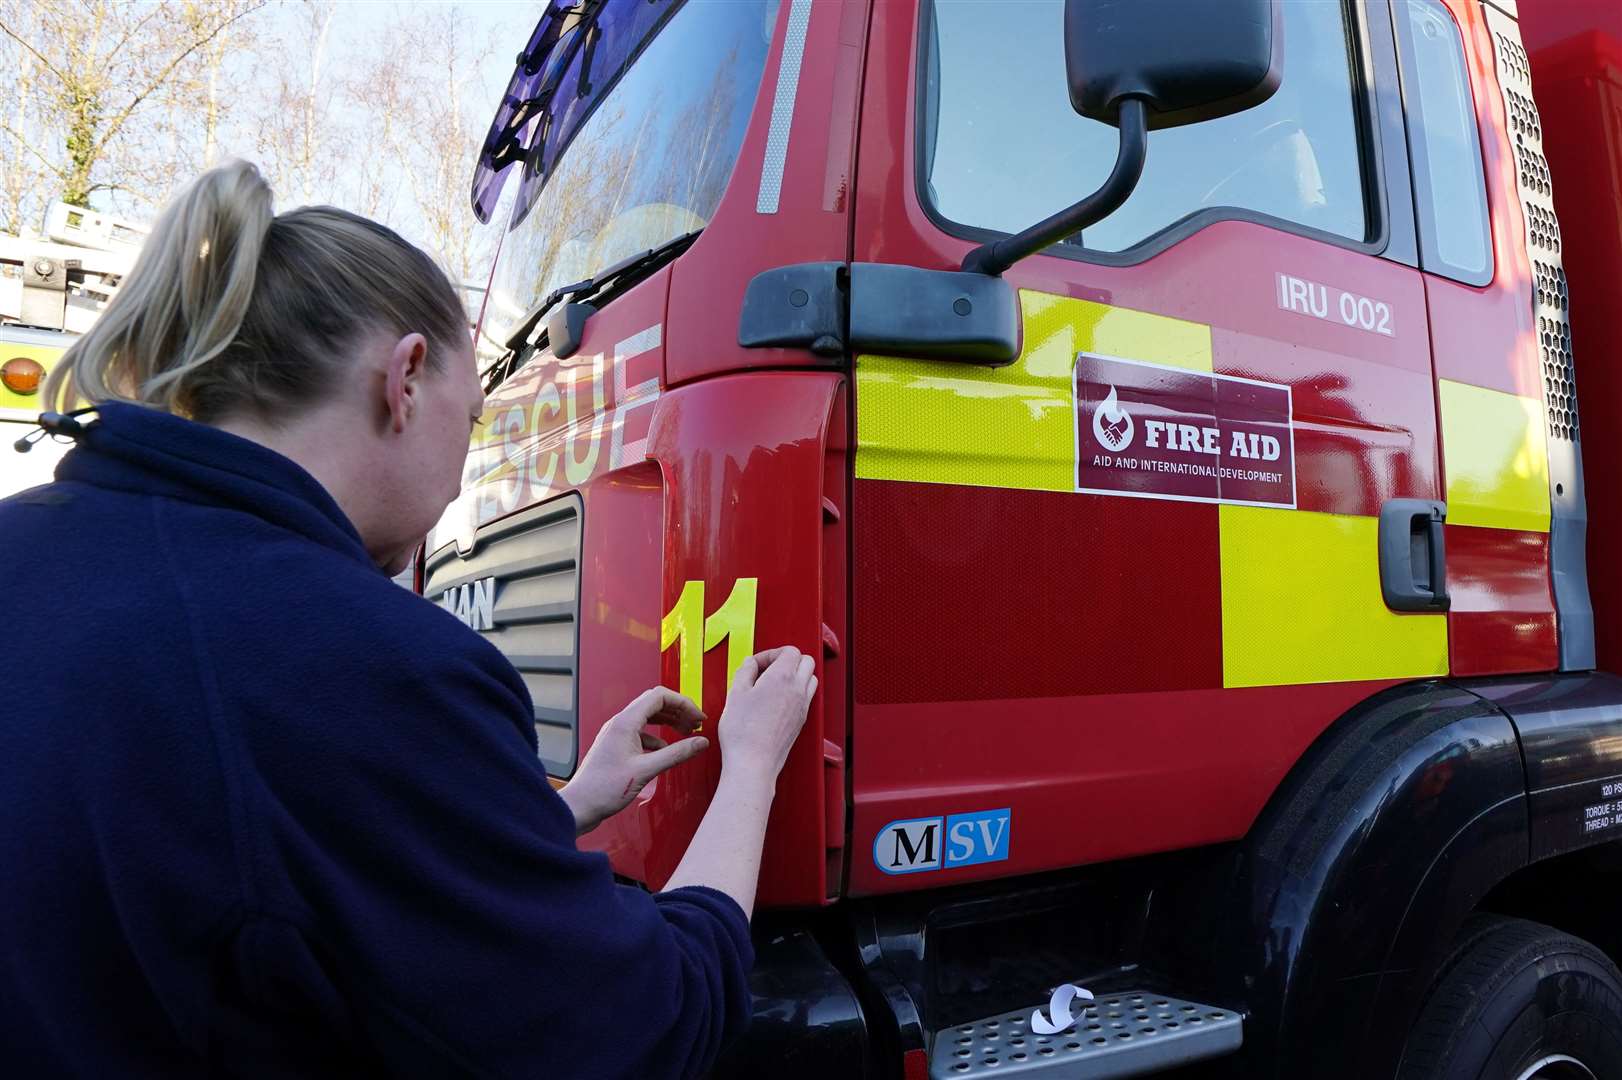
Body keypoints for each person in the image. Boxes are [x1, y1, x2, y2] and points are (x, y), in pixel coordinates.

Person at [0, 160, 815, 1077]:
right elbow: (645, 1025)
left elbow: (257, 852)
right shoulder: (359, 661)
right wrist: (750, 767)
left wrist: (567, 806)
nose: (464, 475)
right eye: (472, 422)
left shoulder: (27, 549)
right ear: (407, 379)